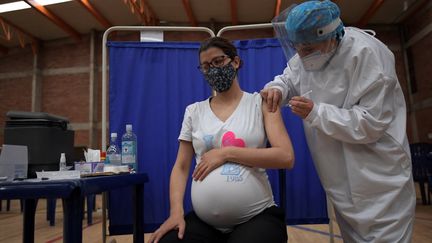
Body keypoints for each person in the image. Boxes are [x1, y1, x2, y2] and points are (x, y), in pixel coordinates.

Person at [261, 1, 416, 242]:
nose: (301, 54)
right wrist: (277, 89)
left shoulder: (368, 54)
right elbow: (289, 78)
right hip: (338, 178)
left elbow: (370, 123)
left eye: (308, 48)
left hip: (378, 179)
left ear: (332, 35)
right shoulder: (307, 54)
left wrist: (315, 113)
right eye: (297, 47)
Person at [148, 37, 295, 243]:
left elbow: (285, 156)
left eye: (218, 62)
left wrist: (226, 153)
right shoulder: (194, 111)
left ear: (235, 62)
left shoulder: (260, 103)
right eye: (206, 66)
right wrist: (176, 213)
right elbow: (181, 166)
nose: (213, 70)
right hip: (204, 222)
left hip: (257, 216)